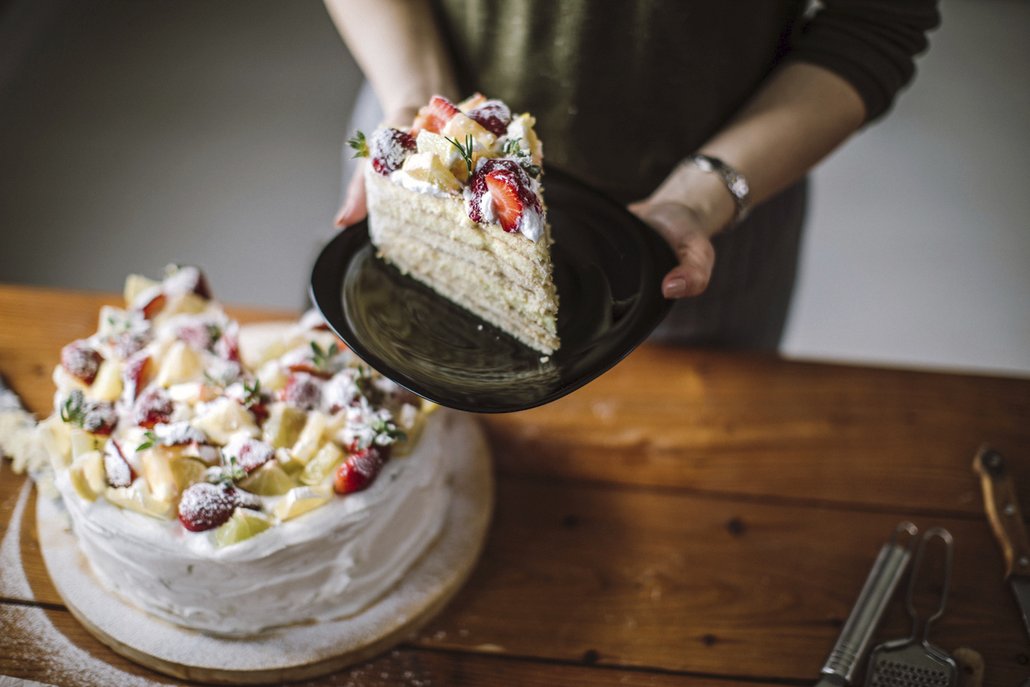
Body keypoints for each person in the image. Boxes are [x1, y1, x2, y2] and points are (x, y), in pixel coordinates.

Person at [324, 0, 940, 350]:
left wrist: (705, 193)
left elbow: (878, 19)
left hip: (703, 220)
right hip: (421, 123)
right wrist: (415, 101)